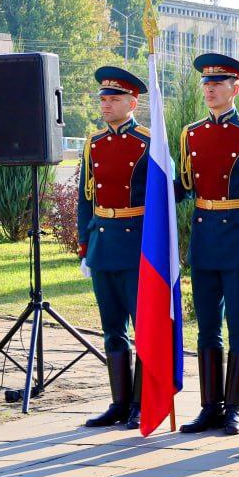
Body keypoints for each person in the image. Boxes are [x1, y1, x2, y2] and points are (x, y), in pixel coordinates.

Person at [176, 54, 239, 436]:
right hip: (204, 235)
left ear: (236, 88)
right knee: (207, 328)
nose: (210, 88)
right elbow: (182, 189)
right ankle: (209, 406)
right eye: (206, 83)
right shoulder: (191, 134)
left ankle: (235, 407)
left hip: (238, 237)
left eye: (218, 83)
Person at [77, 66, 150, 429]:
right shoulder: (93, 144)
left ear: (132, 101)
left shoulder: (150, 143)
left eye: (114, 99)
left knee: (143, 328)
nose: (106, 105)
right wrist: (84, 245)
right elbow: (84, 199)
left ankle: (141, 403)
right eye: (103, 99)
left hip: (136, 245)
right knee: (111, 328)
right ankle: (119, 402)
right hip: (103, 243)